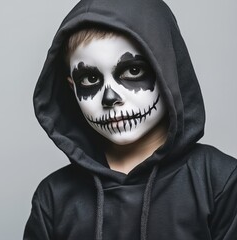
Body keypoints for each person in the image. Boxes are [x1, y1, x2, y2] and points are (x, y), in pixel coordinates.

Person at [23, 0, 237, 239]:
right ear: (72, 87)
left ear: (167, 70)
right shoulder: (52, 197)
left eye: (133, 71)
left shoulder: (221, 181)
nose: (110, 97)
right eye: (89, 78)